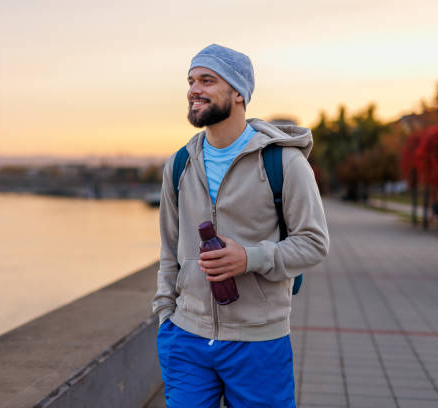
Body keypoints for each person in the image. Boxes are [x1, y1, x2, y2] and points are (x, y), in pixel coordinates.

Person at [152, 44, 329, 407]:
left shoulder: (285, 162)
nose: (193, 90)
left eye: (207, 80)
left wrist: (249, 258)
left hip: (258, 342)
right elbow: (170, 249)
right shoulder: (179, 164)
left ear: (238, 93)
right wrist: (165, 317)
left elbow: (314, 243)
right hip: (186, 338)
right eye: (190, 81)